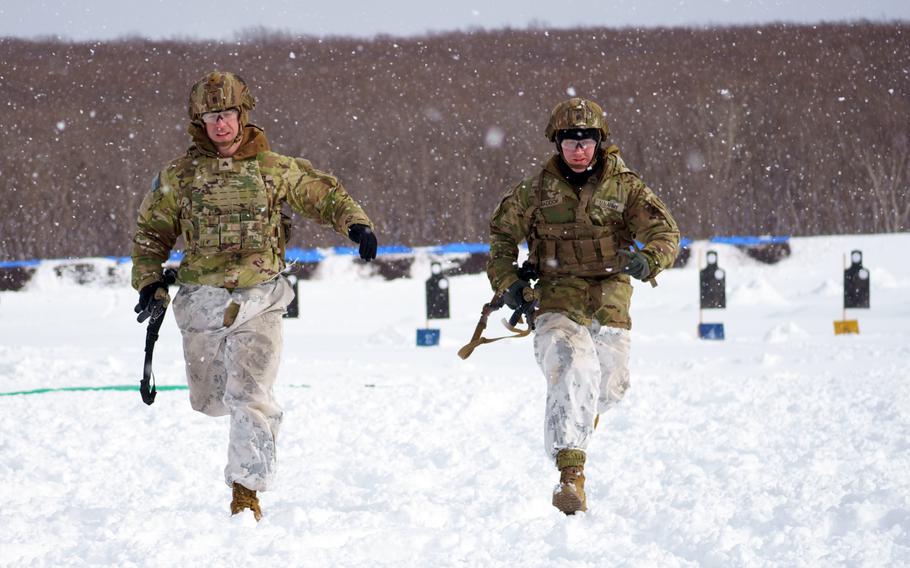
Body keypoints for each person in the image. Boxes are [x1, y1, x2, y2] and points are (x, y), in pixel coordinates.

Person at [131, 71, 377, 521]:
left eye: (227, 114)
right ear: (199, 122)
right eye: (211, 117)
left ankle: (246, 494)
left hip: (260, 298)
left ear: (242, 115)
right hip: (201, 300)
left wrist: (355, 223)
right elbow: (151, 234)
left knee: (252, 397)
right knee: (210, 400)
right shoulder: (178, 177)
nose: (220, 124)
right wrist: (149, 281)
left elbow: (322, 195)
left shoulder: (273, 169)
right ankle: (239, 450)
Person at [486, 97, 679, 515]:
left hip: (610, 299)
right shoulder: (534, 191)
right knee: (572, 366)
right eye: (570, 139)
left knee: (609, 385)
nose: (578, 148)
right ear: (557, 143)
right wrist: (510, 284)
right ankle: (570, 476)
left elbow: (666, 232)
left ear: (599, 141)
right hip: (557, 297)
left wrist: (649, 260)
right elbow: (500, 239)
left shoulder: (625, 187)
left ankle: (573, 417)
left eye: (586, 139)